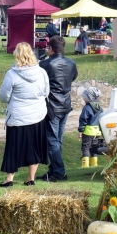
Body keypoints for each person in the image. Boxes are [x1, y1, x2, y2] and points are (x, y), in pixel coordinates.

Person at [0, 42, 49, 187]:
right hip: (38, 115)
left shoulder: (12, 74)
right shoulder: (41, 72)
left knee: (14, 147)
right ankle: (30, 178)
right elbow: (46, 92)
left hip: (18, 116)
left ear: (16, 55)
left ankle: (9, 179)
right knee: (34, 146)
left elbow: (3, 96)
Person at [39, 35, 77, 182]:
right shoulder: (71, 63)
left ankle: (59, 171)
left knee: (52, 140)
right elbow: (72, 78)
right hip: (65, 104)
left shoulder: (45, 64)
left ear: (51, 48)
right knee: (57, 140)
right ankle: (53, 170)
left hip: (52, 106)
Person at [77, 86, 106, 168]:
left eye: (84, 96)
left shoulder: (87, 108)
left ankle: (85, 166)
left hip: (88, 132)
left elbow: (83, 119)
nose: (83, 98)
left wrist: (81, 131)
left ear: (89, 97)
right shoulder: (100, 107)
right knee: (94, 148)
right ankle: (94, 165)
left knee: (85, 148)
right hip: (97, 132)